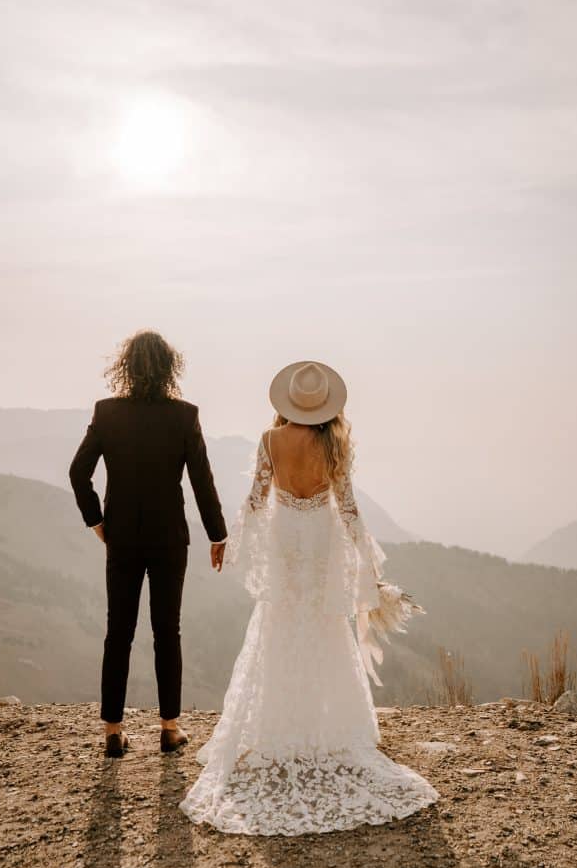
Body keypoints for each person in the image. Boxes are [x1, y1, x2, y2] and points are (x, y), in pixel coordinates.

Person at [179, 360, 439, 835]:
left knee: (278, 625)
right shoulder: (332, 443)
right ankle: (325, 729)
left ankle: (279, 728)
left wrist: (231, 544)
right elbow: (350, 508)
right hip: (320, 540)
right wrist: (368, 561)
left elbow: (256, 501)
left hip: (284, 542)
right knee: (322, 627)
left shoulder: (270, 441)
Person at [69, 330, 227, 758]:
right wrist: (217, 533)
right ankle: (169, 728)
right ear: (168, 367)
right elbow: (201, 481)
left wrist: (97, 520)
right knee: (166, 631)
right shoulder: (184, 416)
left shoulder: (107, 412)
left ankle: (112, 732)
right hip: (169, 538)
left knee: (117, 631)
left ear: (126, 365)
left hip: (121, 536)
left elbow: (77, 472)